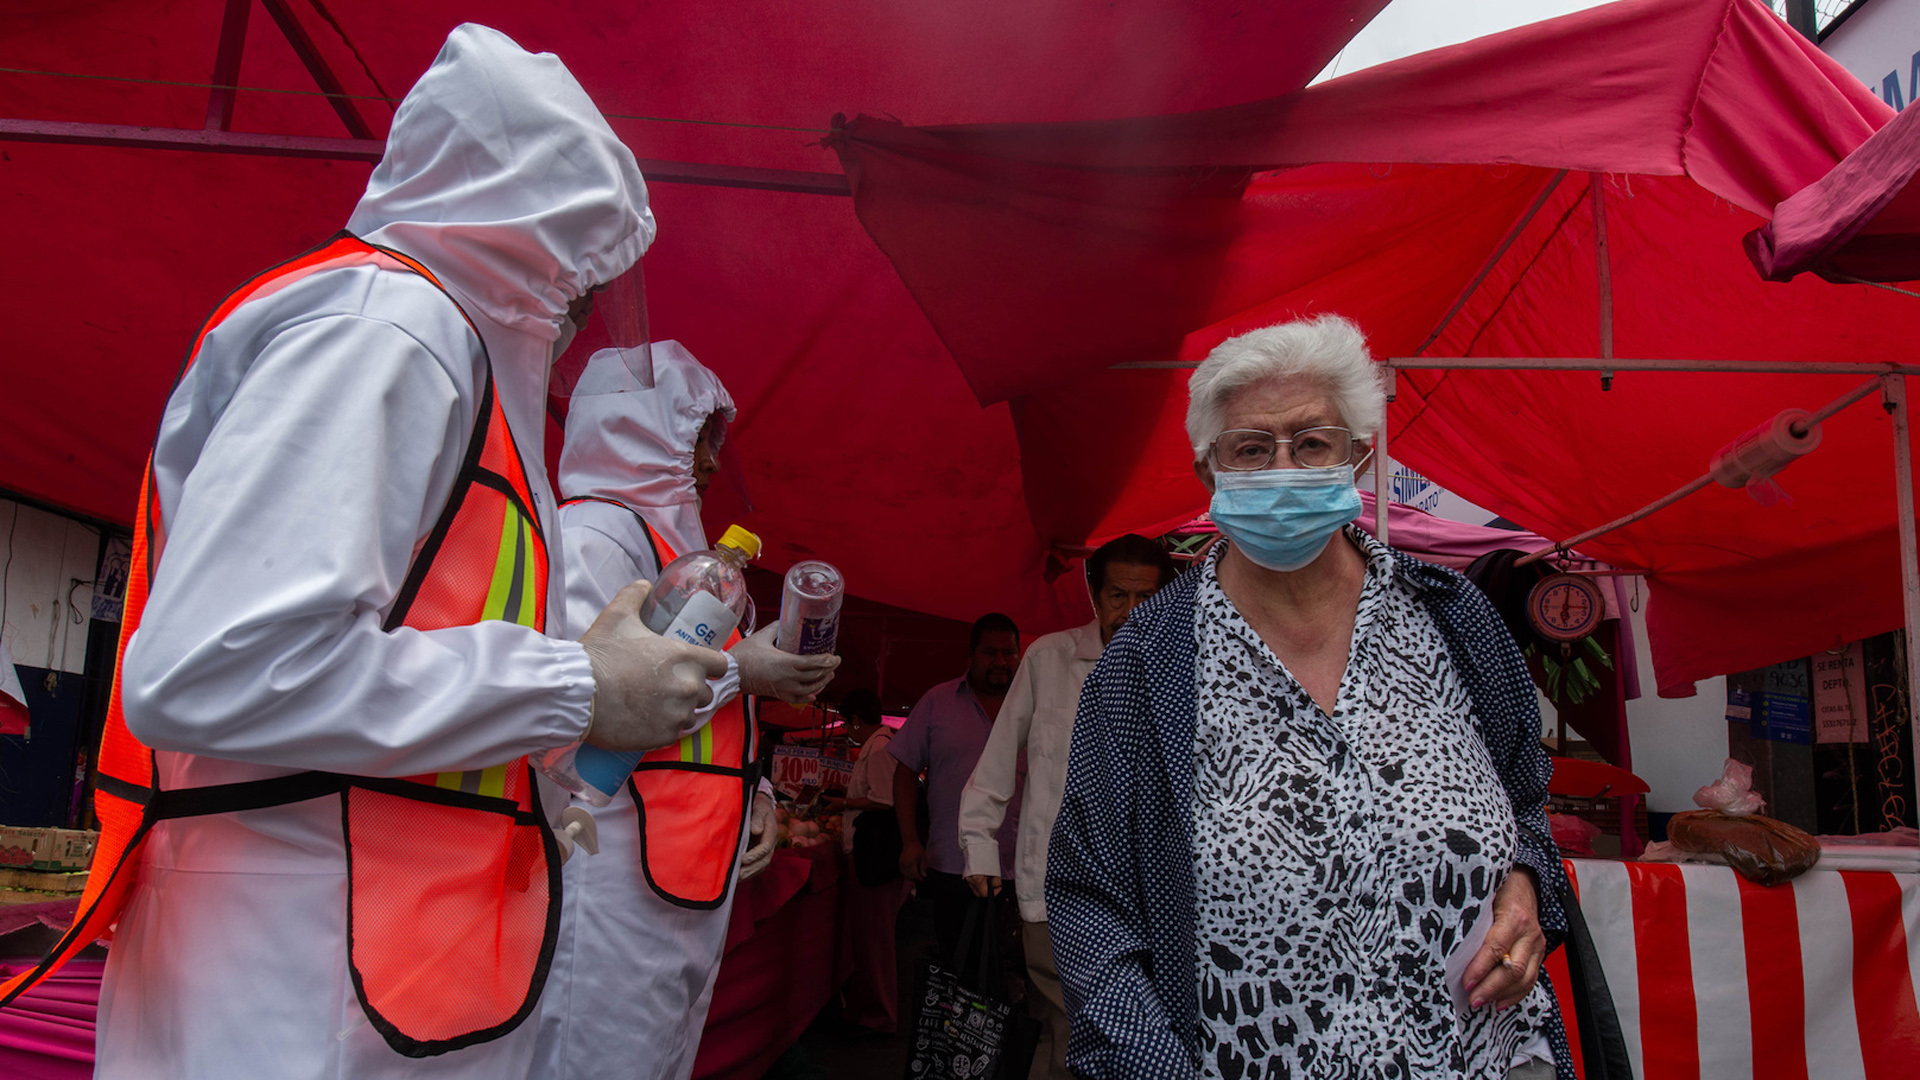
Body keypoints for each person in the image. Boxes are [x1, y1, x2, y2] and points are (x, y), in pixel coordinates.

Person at [0, 25, 735, 1080]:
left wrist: (542, 767)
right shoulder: (387, 331)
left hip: (357, 972)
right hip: (292, 989)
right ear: (535, 225)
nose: (581, 308)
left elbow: (383, 658)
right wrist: (574, 686)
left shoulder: (437, 358)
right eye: (582, 262)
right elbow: (217, 663)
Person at [1047, 315, 1572, 1080]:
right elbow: (1090, 902)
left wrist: (1527, 888)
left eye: (1312, 442)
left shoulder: (1454, 620)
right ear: (1209, 472)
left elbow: (1527, 808)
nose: (1283, 468)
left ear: (1358, 455)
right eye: (1252, 449)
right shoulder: (1145, 666)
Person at [531, 345, 838, 1079]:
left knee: (660, 1058)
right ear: (641, 427)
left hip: (681, 871)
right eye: (698, 435)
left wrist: (756, 797)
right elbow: (585, 702)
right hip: (607, 871)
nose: (708, 463)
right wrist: (745, 669)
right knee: (594, 1059)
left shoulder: (685, 552)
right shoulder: (590, 540)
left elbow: (716, 722)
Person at [957, 534, 1175, 1080]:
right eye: (1118, 597)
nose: (1131, 612)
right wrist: (979, 845)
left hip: (1148, 892)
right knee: (1066, 1025)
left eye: (1145, 597)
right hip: (1057, 888)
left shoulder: (1179, 668)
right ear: (1095, 596)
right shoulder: (1049, 658)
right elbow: (1000, 754)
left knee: (1137, 1029)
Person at [888, 613, 1023, 961]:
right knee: (957, 968)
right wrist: (910, 842)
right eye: (989, 652)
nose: (1000, 662)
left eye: (1009, 653)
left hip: (1024, 866)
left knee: (1017, 972)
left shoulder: (1036, 705)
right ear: (970, 656)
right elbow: (905, 773)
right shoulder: (938, 702)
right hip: (952, 863)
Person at [832, 688, 913, 1032]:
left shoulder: (879, 748)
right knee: (867, 939)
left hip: (876, 856)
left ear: (854, 720)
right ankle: (865, 1009)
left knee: (876, 941)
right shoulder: (880, 745)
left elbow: (884, 799)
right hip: (872, 854)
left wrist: (844, 805)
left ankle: (880, 1016)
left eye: (847, 723)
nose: (847, 730)